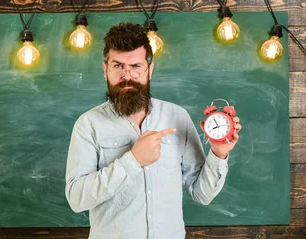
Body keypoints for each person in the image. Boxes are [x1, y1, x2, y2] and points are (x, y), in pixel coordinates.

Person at [64, 22, 241, 239]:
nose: (127, 76)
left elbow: (202, 194)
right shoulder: (88, 124)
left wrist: (219, 153)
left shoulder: (177, 117)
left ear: (150, 70)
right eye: (118, 66)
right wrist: (133, 160)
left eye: (136, 66)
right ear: (105, 70)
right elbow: (76, 198)